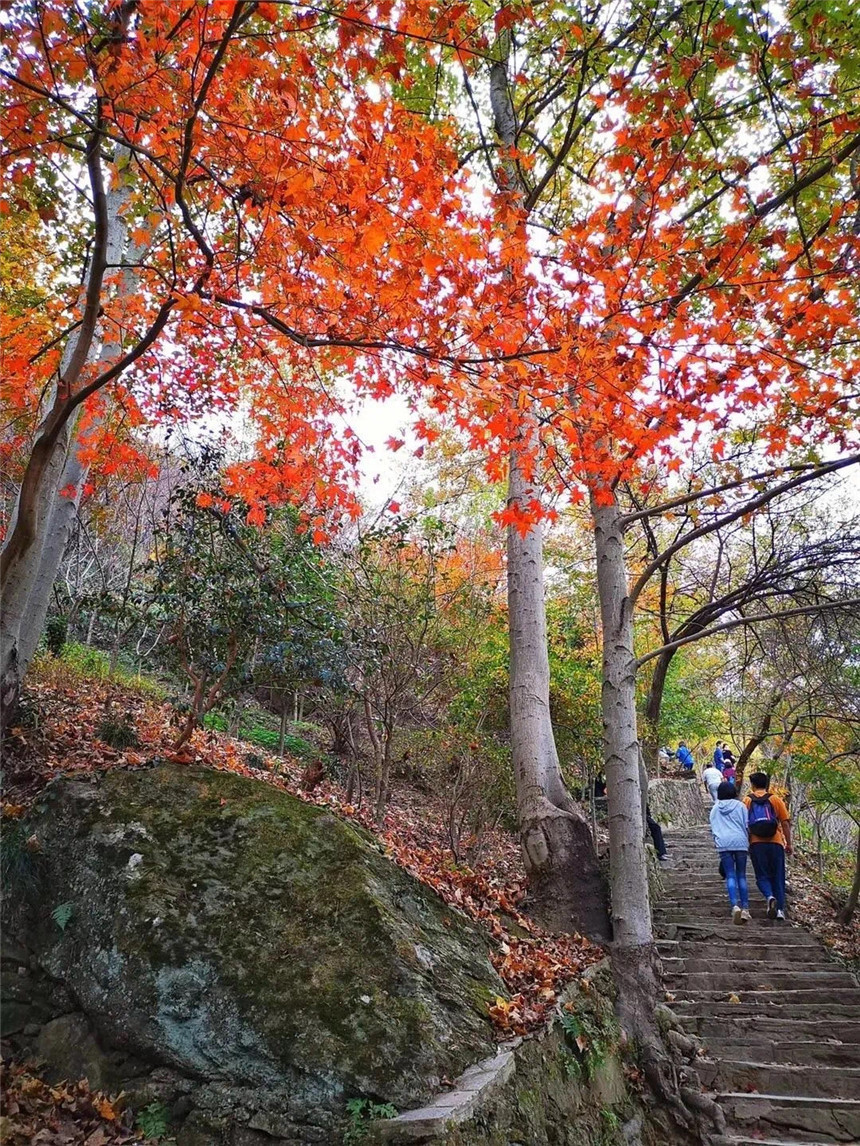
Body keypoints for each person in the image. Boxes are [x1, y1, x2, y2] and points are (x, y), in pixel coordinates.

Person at [744, 771, 792, 921]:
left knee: (762, 875)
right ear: (766, 784)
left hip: (756, 843)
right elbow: (785, 822)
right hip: (775, 842)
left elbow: (743, 824)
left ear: (752, 785)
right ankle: (779, 911)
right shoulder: (775, 799)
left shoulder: (747, 800)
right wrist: (789, 843)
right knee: (778, 875)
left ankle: (769, 895)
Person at [709, 781, 750, 924]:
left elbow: (713, 828)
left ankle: (734, 906)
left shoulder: (715, 809)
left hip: (724, 843)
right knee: (741, 875)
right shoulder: (741, 806)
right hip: (740, 842)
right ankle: (745, 908)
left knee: (730, 875)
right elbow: (747, 825)